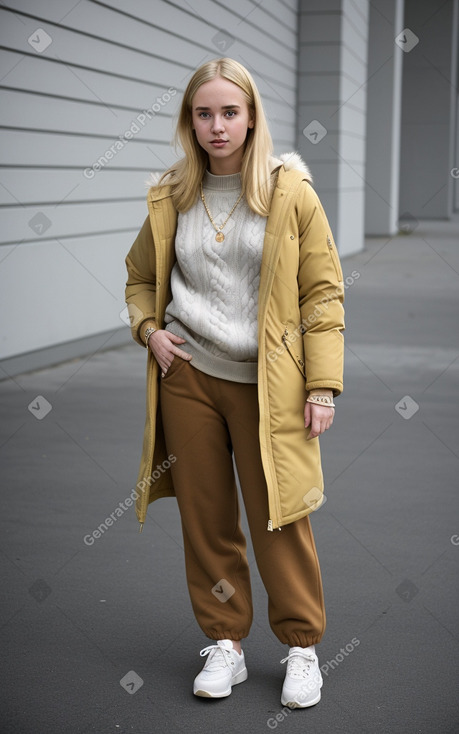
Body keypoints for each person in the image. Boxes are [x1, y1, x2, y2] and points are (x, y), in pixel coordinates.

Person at [125, 57, 345, 708]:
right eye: (203, 113)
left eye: (229, 112)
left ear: (251, 117)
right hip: (187, 378)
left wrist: (320, 384)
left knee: (281, 515)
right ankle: (226, 644)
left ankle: (301, 648)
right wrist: (149, 331)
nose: (217, 126)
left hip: (268, 383)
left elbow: (323, 294)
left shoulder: (288, 191)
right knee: (207, 519)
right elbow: (139, 279)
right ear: (188, 122)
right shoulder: (170, 196)